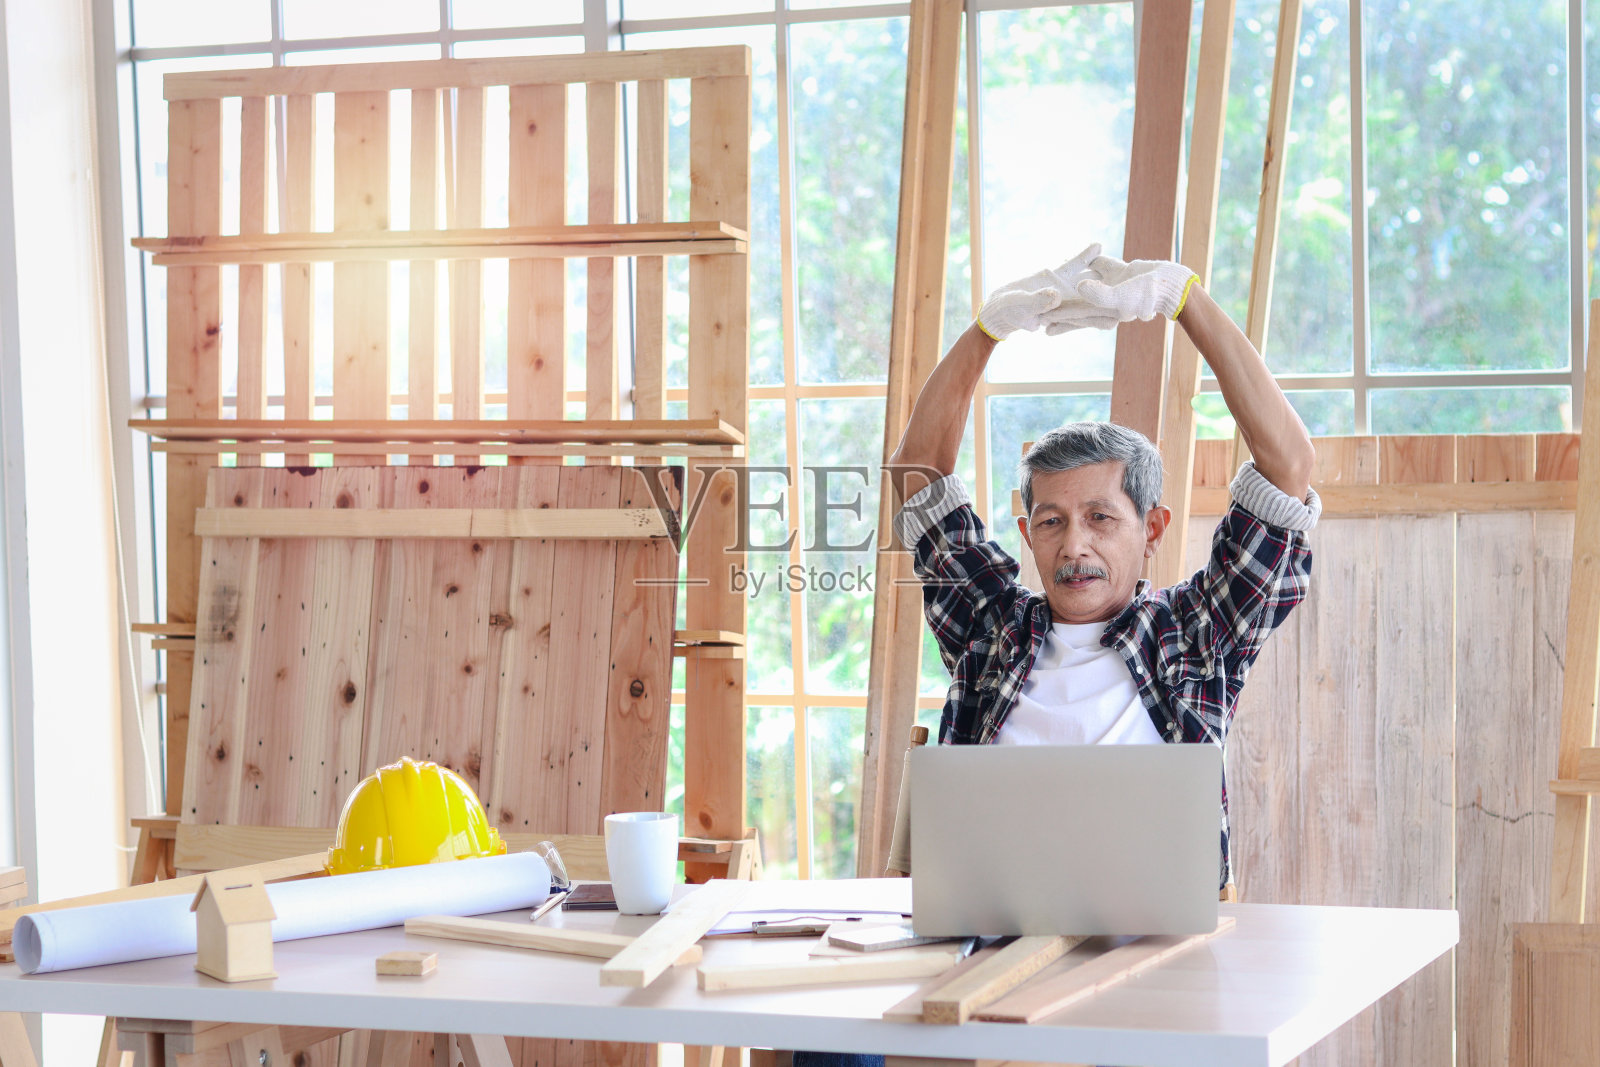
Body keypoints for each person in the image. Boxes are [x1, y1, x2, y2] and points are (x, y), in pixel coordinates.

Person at [886, 243, 1320, 891]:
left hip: (1151, 935)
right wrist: (986, 331)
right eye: (1052, 522)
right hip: (986, 926)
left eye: (1100, 518)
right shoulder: (991, 626)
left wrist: (1184, 299)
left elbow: (1288, 467)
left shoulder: (1195, 635)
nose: (1075, 546)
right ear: (1028, 534)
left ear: (1151, 530)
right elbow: (918, 478)